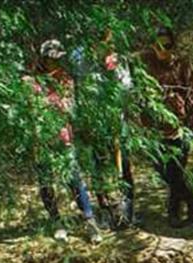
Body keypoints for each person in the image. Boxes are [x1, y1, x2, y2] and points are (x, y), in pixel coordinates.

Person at [24, 39, 101, 243]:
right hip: (41, 139)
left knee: (74, 177)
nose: (54, 64)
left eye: (57, 60)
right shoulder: (33, 81)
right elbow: (32, 109)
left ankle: (89, 221)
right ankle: (56, 222)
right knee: (46, 181)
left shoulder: (65, 78)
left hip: (63, 137)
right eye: (51, 60)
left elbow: (69, 106)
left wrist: (53, 104)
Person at [70, 29, 136, 228]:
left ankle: (128, 214)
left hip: (117, 122)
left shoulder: (119, 61)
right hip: (93, 125)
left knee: (123, 168)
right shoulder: (80, 59)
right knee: (98, 167)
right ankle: (106, 211)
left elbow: (126, 90)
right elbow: (77, 92)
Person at [140, 27, 193, 228]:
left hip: (180, 128)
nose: (162, 50)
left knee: (176, 170)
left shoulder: (182, 65)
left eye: (167, 45)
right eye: (158, 45)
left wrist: (182, 120)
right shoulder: (146, 65)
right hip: (156, 128)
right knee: (161, 169)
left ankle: (174, 212)